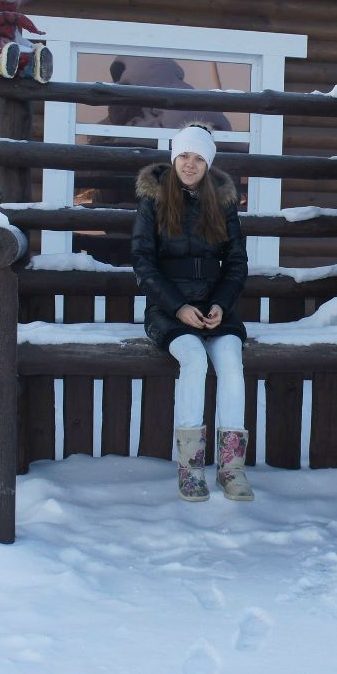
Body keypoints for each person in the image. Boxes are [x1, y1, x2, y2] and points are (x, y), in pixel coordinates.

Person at [131, 124, 253, 502]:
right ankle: (191, 468)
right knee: (195, 359)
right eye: (184, 155)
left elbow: (236, 262)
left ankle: (231, 469)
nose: (190, 164)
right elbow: (143, 262)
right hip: (168, 309)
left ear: (208, 163)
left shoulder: (223, 203)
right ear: (174, 157)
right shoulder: (153, 200)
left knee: (230, 360)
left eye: (199, 158)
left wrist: (221, 305)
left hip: (215, 307)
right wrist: (178, 306)